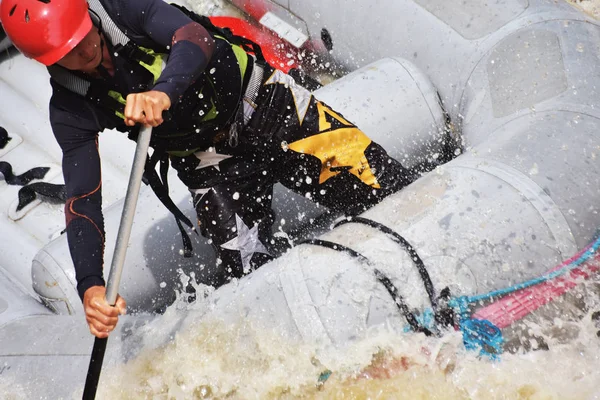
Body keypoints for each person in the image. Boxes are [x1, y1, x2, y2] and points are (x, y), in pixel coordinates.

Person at [0, 0, 416, 338]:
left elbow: (194, 37)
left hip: (268, 106)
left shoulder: (122, 9)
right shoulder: (70, 106)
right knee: (255, 275)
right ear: (44, 61)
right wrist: (90, 284)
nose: (85, 51)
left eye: (83, 37)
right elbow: (82, 199)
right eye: (68, 53)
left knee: (387, 186)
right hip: (209, 167)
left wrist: (163, 93)